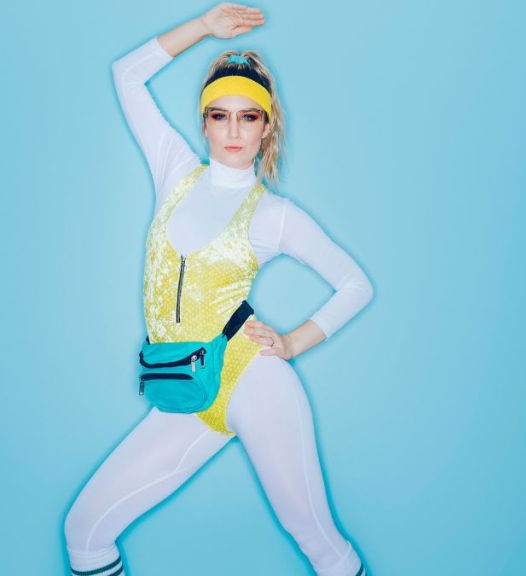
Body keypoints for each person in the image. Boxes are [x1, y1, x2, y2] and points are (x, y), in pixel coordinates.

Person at [64, 4, 374, 575]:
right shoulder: (173, 171)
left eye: (249, 117)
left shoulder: (275, 216)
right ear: (203, 121)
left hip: (251, 384)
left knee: (316, 539)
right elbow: (126, 76)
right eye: (220, 115)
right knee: (84, 530)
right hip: (184, 386)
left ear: (267, 125)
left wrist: (293, 342)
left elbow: (355, 285)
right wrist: (204, 28)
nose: (234, 130)